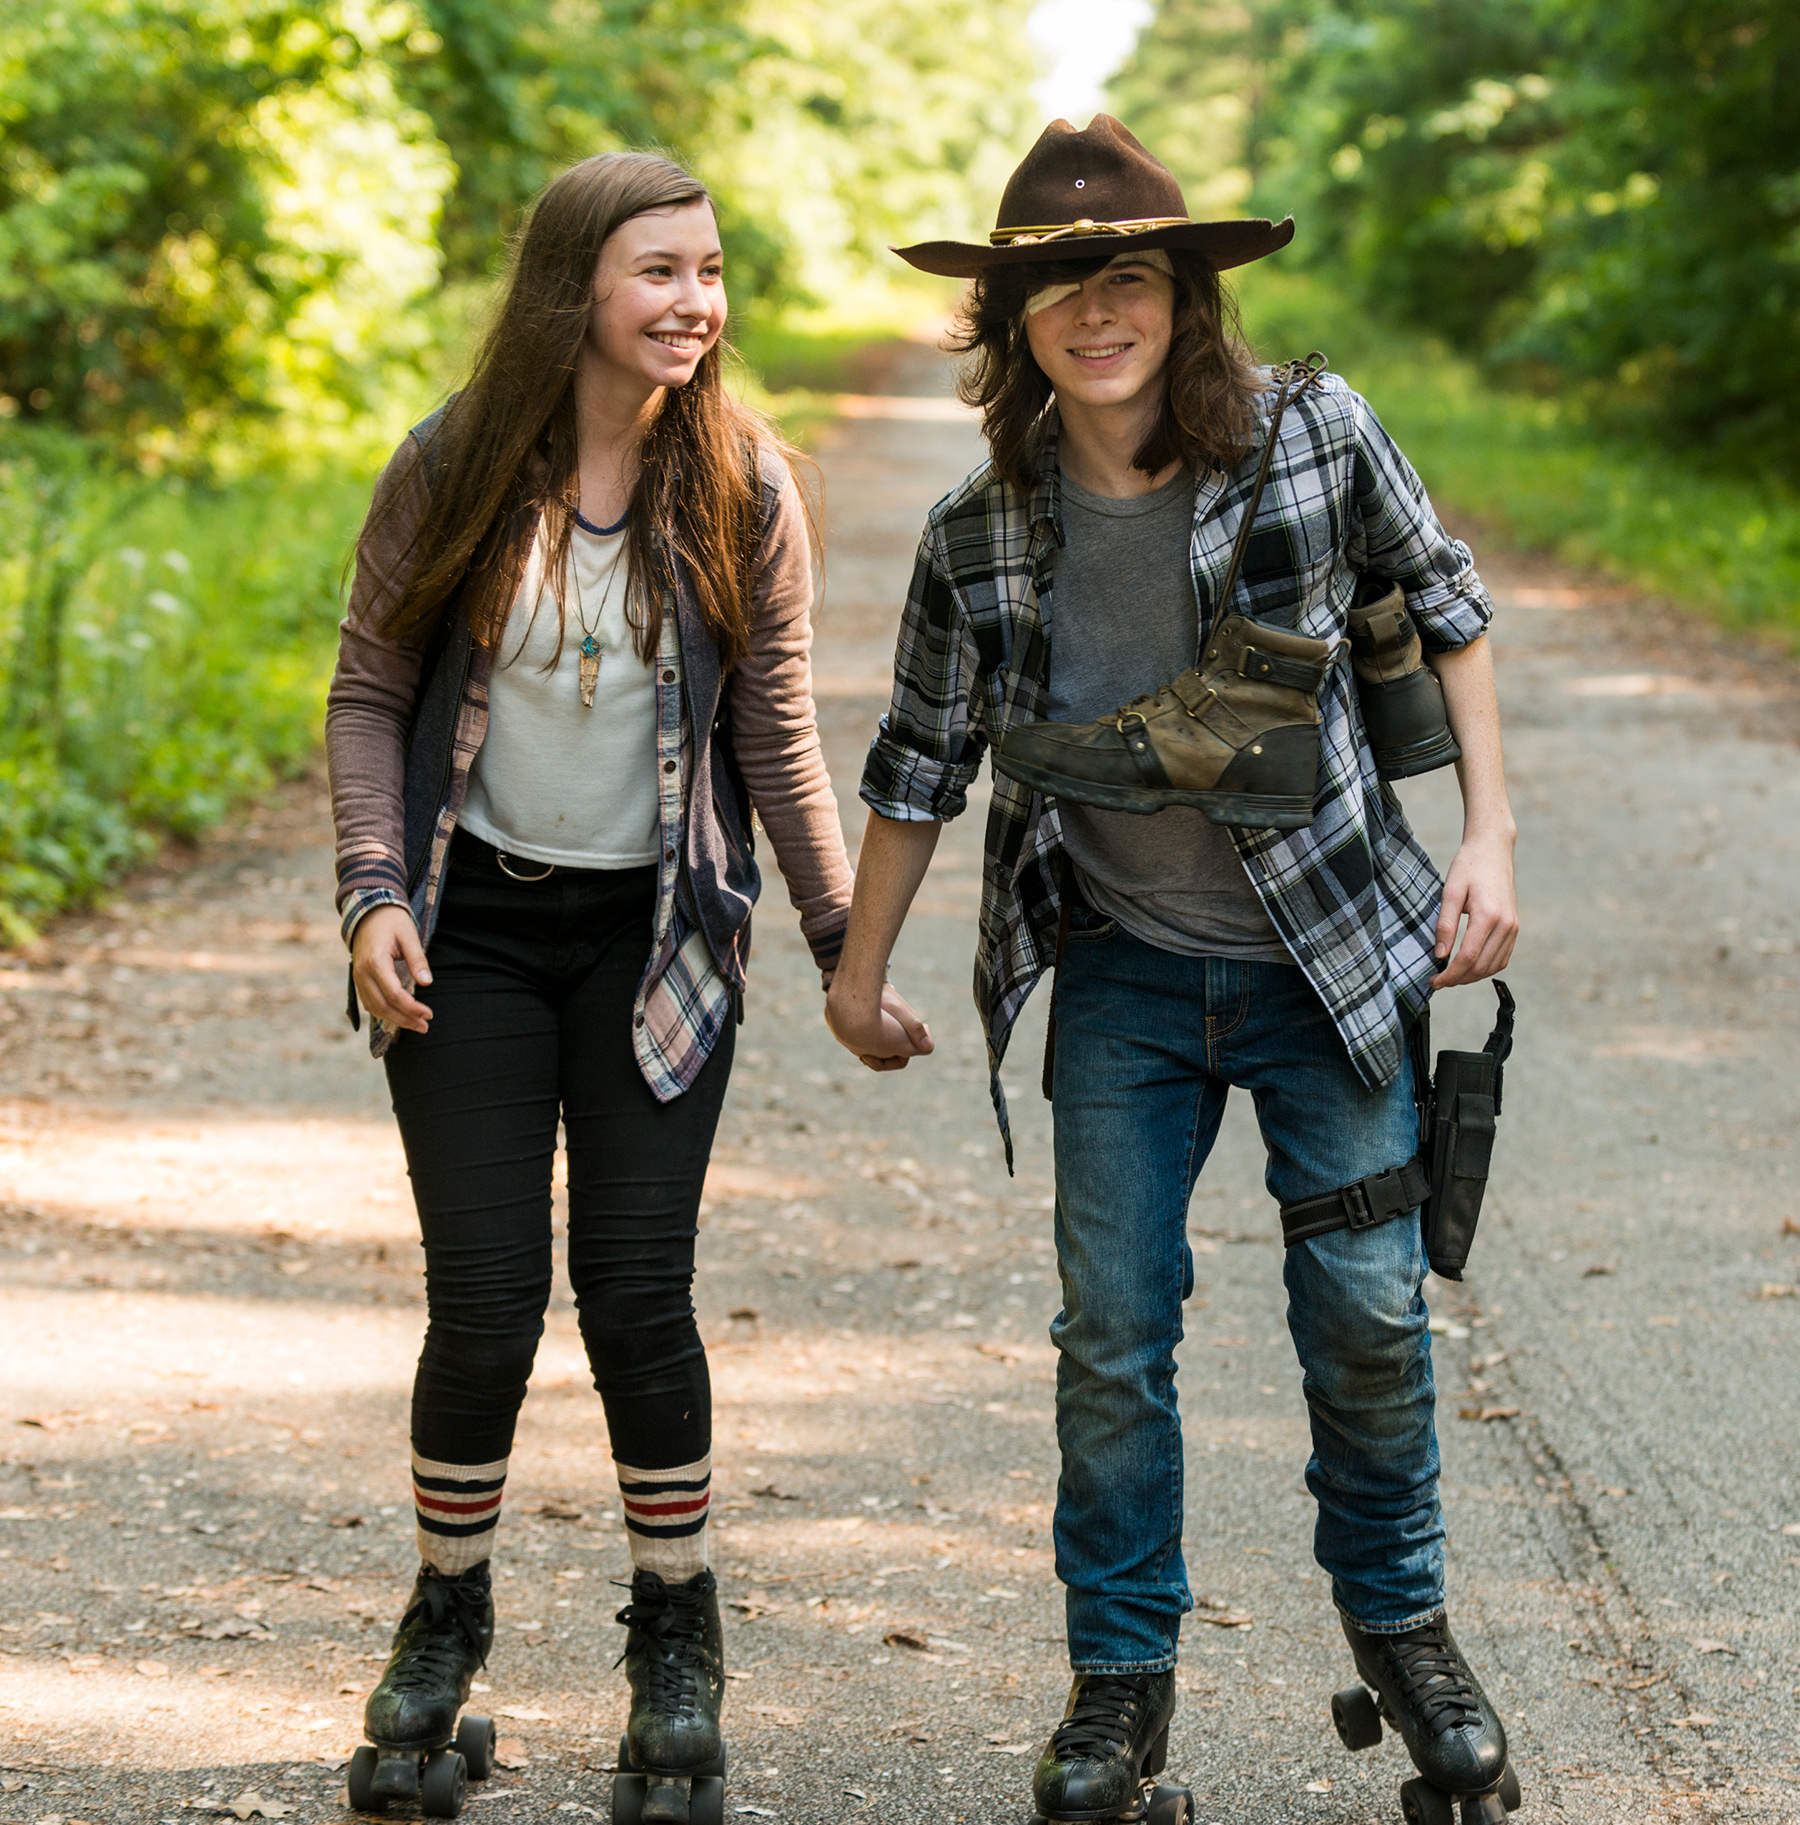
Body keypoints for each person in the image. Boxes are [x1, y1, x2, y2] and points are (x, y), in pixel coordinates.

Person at [825, 116, 1522, 1823]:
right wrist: (858, 973)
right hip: (1123, 977)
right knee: (1113, 1335)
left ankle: (1407, 1631)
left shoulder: (1313, 434)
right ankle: (1117, 1690)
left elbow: (1447, 604)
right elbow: (918, 765)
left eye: (1125, 275)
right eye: (1058, 287)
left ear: (1182, 296)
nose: (1095, 311)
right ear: (1017, 324)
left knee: (1365, 1319)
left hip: (1329, 961)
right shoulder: (976, 532)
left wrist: (1492, 840)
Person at [326, 150, 905, 1817]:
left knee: (639, 1295)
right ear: (576, 284)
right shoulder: (450, 465)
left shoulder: (744, 487)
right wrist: (373, 891)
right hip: (470, 937)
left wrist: (838, 946)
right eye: (661, 271)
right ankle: (447, 1615)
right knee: (488, 1295)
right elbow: (369, 692)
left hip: (659, 943)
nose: (696, 302)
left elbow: (778, 742)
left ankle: (676, 1633)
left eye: (711, 272)